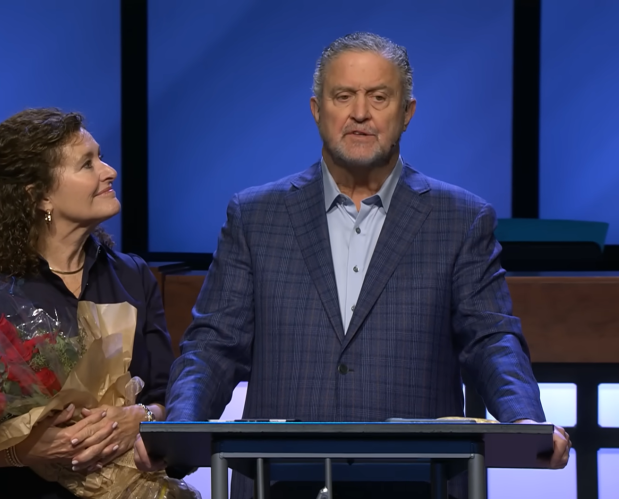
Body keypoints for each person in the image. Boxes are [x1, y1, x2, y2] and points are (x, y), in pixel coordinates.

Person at [135, 32, 571, 498]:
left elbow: (490, 339)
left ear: (407, 113)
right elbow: (215, 344)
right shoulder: (255, 215)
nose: (359, 112)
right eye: (343, 96)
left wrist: (523, 419)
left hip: (421, 481)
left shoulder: (461, 218)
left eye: (378, 97)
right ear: (316, 109)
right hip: (276, 481)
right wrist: (179, 429)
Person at [0, 108, 175, 499]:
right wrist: (22, 450)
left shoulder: (133, 276)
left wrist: (139, 418)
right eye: (87, 163)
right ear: (39, 194)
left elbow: (169, 396)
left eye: (101, 156)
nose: (109, 171)